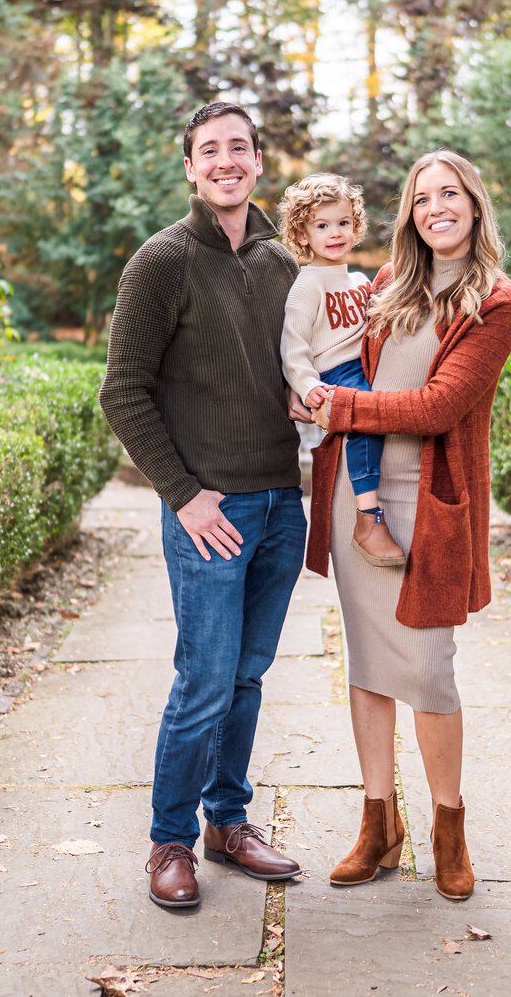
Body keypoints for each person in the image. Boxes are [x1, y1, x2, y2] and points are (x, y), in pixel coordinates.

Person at [99, 102, 306, 910]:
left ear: (258, 161)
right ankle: (170, 841)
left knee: (248, 679)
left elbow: (294, 371)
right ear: (190, 166)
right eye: (208, 150)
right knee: (204, 682)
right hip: (209, 513)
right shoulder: (162, 261)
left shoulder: (282, 264)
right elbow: (122, 391)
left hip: (280, 506)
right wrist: (182, 497)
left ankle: (229, 821)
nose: (225, 161)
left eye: (238, 148)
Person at [307, 148, 511, 901]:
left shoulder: (496, 300)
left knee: (430, 670)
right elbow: (327, 356)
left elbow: (438, 406)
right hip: (357, 498)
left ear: (473, 202)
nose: (435, 207)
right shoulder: (384, 288)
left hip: (432, 504)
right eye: (421, 197)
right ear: (410, 214)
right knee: (367, 662)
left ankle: (449, 826)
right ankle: (379, 823)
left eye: (449, 193)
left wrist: (343, 409)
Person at [277, 173, 405, 568]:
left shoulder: (359, 280)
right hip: (336, 373)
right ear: (302, 235)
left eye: (343, 223)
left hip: (368, 362)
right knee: (367, 416)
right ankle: (369, 518)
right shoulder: (306, 285)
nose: (335, 233)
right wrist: (307, 385)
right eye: (321, 225)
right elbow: (293, 345)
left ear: (356, 226)